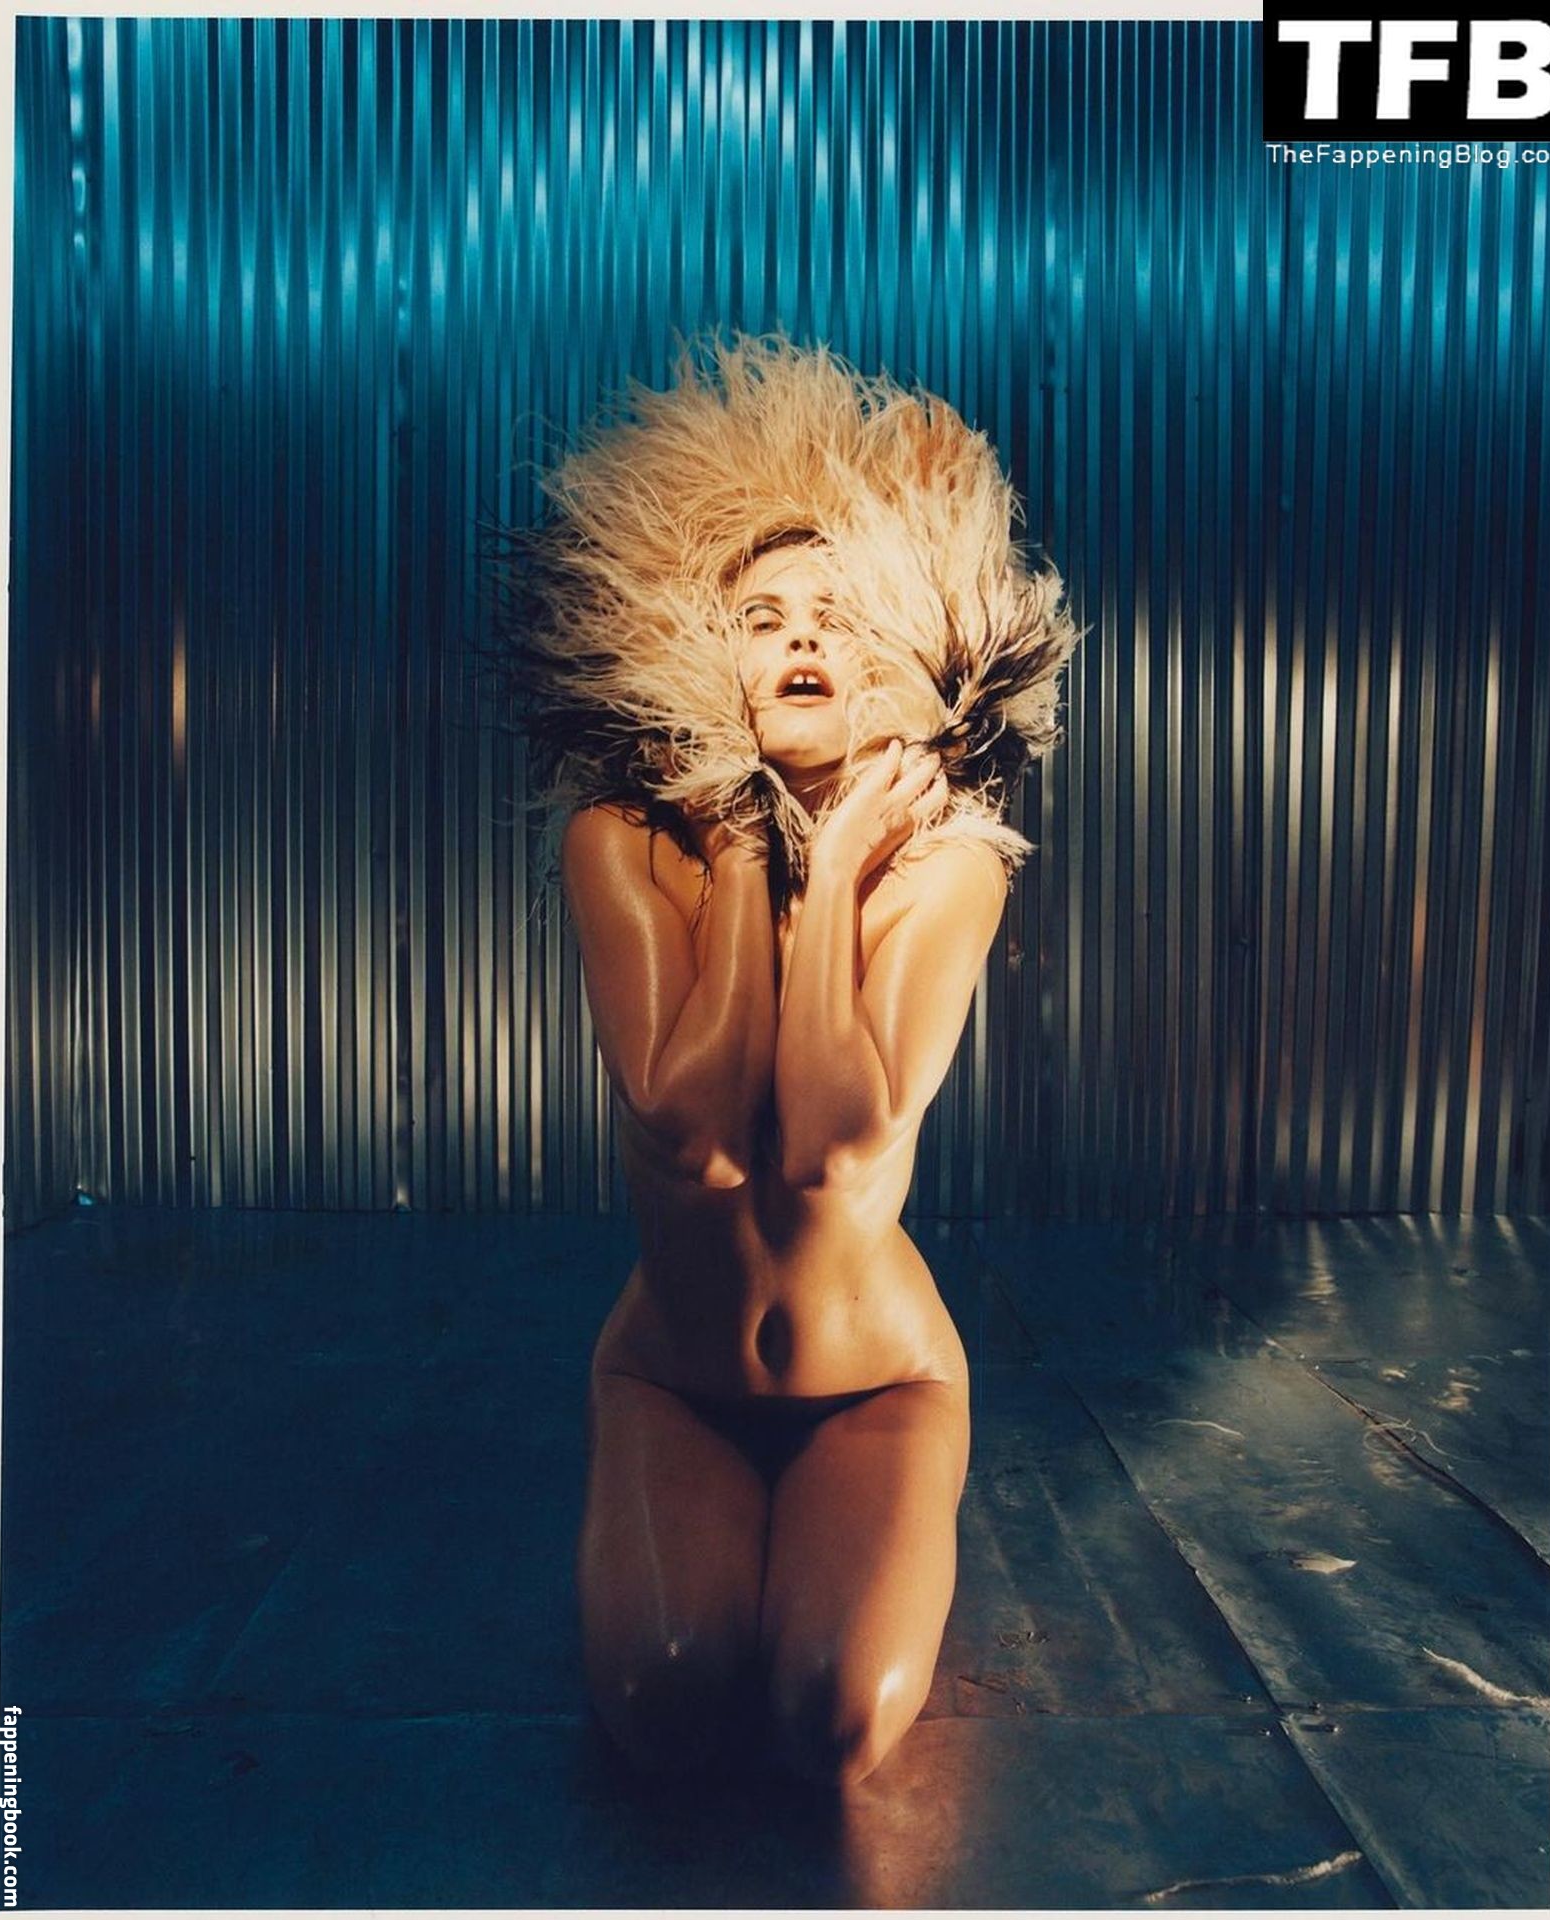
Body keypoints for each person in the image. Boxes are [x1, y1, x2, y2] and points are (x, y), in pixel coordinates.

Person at [492, 335, 1079, 1786]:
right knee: (664, 1698)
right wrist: (747, 839)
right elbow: (688, 1122)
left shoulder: (948, 865)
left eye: (838, 613)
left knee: (834, 1720)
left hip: (879, 1379)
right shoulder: (623, 842)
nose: (802, 640)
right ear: (704, 651)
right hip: (671, 1375)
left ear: (893, 646)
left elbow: (827, 1142)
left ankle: (863, 1526)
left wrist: (853, 850)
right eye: (762, 618)